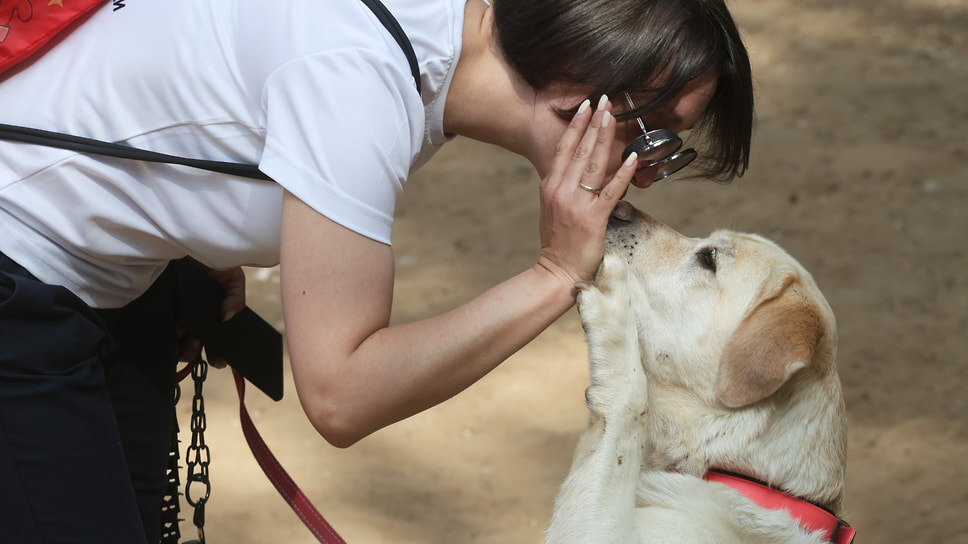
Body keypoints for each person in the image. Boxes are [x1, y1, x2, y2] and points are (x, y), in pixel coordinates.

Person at [0, 0, 752, 541]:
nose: (649, 177)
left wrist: (200, 237)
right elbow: (340, 395)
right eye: (655, 138)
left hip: (112, 278)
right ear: (574, 94)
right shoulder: (360, 80)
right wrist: (557, 273)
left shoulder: (438, 32)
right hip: (21, 270)